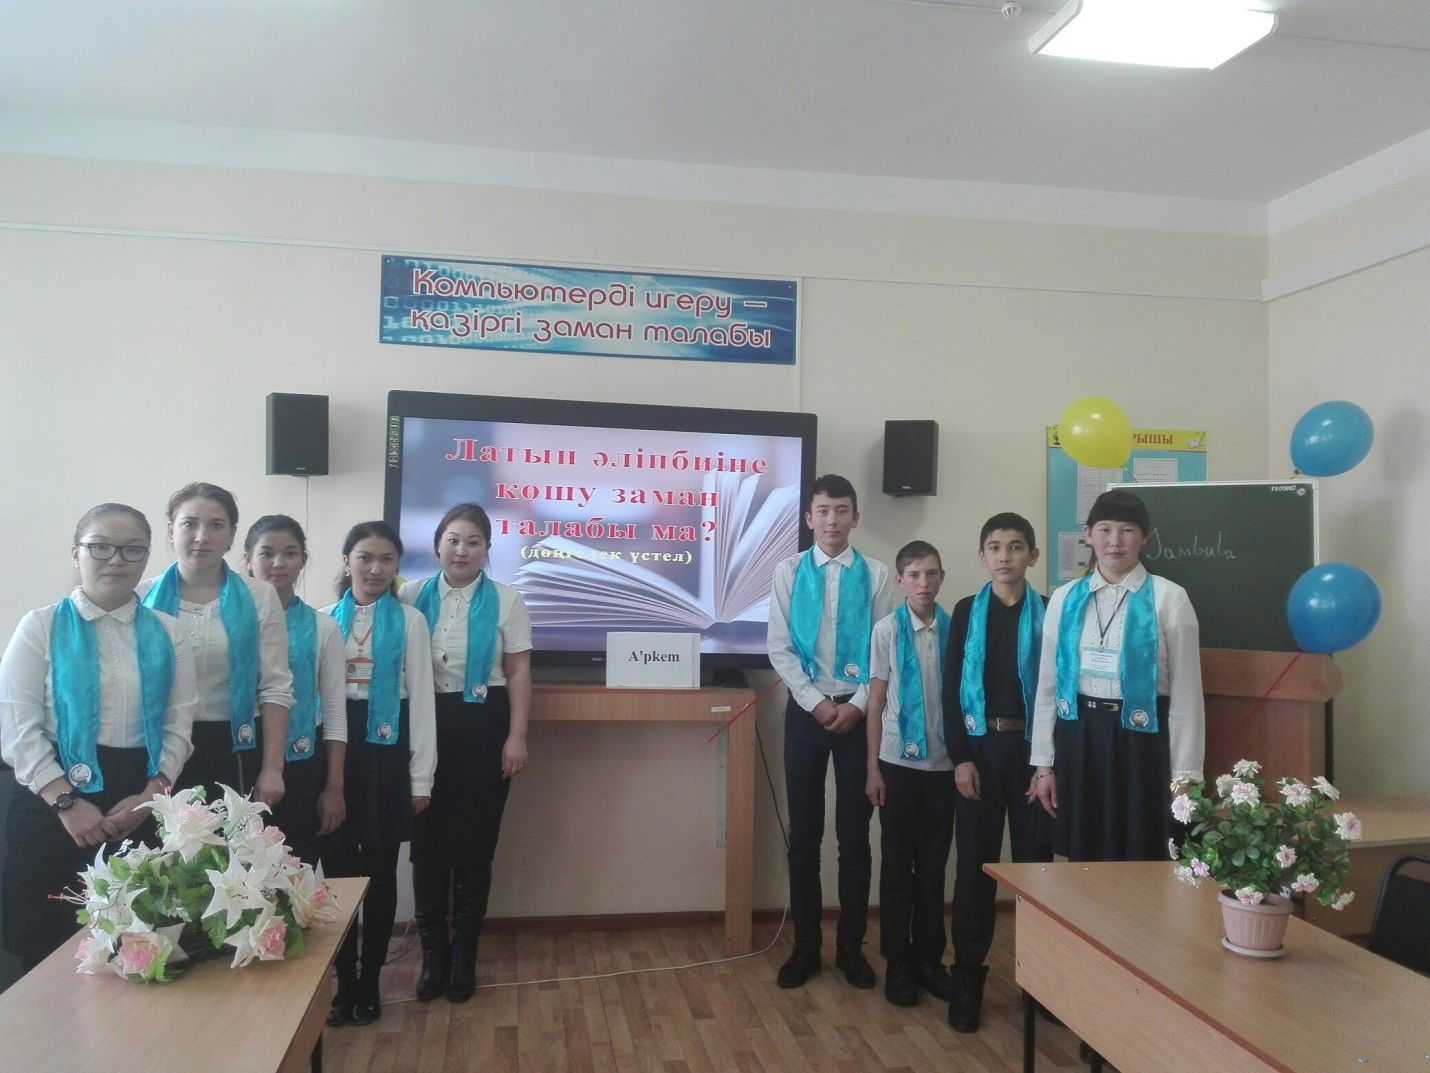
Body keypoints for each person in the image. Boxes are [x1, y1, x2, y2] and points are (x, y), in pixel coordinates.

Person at [0, 503, 197, 971]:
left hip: (135, 801)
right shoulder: (40, 625)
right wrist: (66, 803)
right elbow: (15, 725)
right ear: (76, 553)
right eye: (101, 547)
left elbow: (178, 726)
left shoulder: (169, 633)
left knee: (135, 949)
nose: (116, 560)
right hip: (51, 801)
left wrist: (150, 796)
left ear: (146, 556)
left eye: (132, 549)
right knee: (46, 955)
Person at [398, 503, 532, 1004]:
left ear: (487, 549)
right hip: (424, 725)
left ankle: (463, 957)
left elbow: (518, 671)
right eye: (453, 540)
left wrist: (516, 736)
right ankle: (433, 955)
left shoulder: (507, 600)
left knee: (475, 845)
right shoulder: (410, 596)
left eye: (473, 542)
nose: (462, 550)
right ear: (437, 545)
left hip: (483, 725)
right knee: (427, 844)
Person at [767, 473, 896, 989]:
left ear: (855, 518)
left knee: (854, 837)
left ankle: (849, 949)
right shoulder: (787, 571)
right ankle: (806, 949)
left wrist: (859, 705)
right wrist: (816, 702)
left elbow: (883, 652)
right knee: (804, 836)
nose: (832, 520)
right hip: (807, 713)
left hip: (859, 718)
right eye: (823, 510)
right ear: (809, 518)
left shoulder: (878, 575)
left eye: (842, 510)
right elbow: (778, 647)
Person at [1029, 489, 1206, 861]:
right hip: (1080, 738)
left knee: (1142, 855)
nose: (1115, 541)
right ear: (1088, 533)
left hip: (1142, 742)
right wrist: (1044, 765)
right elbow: (1047, 688)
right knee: (1084, 859)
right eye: (1105, 529)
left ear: (1145, 537)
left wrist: (1185, 777)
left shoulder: (1170, 598)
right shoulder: (1064, 598)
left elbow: (1187, 697)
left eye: (1127, 530)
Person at [320, 521, 436, 1028]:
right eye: (365, 557)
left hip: (387, 751)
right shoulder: (323, 620)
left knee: (382, 873)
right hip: (336, 748)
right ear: (347, 561)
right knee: (337, 875)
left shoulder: (411, 620)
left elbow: (424, 701)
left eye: (387, 560)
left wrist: (421, 778)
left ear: (396, 568)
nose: (375, 568)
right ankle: (343, 982)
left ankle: (370, 983)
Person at [943, 513, 1054, 1032]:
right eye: (994, 547)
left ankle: (1043, 985)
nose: (1004, 556)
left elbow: (1060, 689)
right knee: (974, 871)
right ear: (982, 556)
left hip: (1033, 755)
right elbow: (951, 689)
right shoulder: (967, 611)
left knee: (1038, 871)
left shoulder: (1051, 610)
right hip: (980, 751)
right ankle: (967, 981)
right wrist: (961, 757)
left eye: (1015, 546)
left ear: (1033, 555)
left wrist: (1047, 762)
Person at [138, 482, 292, 806]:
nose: (202, 536)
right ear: (171, 531)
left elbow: (275, 686)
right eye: (189, 524)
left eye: (216, 525)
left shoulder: (259, 596)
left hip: (233, 745)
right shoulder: (141, 598)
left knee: (229, 838)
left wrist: (273, 769)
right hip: (157, 743)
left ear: (232, 534)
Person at [864, 540, 955, 1008]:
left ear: (942, 578)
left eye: (932, 574)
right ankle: (898, 961)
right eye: (915, 575)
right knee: (898, 865)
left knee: (934, 868)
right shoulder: (886, 630)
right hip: (897, 765)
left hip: (944, 766)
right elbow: (876, 700)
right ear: (900, 581)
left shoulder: (956, 629)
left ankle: (929, 959)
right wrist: (872, 768)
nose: (924, 583)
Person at [242, 515, 347, 867]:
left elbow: (334, 711)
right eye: (266, 553)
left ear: (303, 560)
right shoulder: (230, 622)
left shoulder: (323, 627)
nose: (278, 563)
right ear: (248, 559)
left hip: (302, 764)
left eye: (290, 553)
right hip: (240, 758)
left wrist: (334, 787)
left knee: (295, 871)